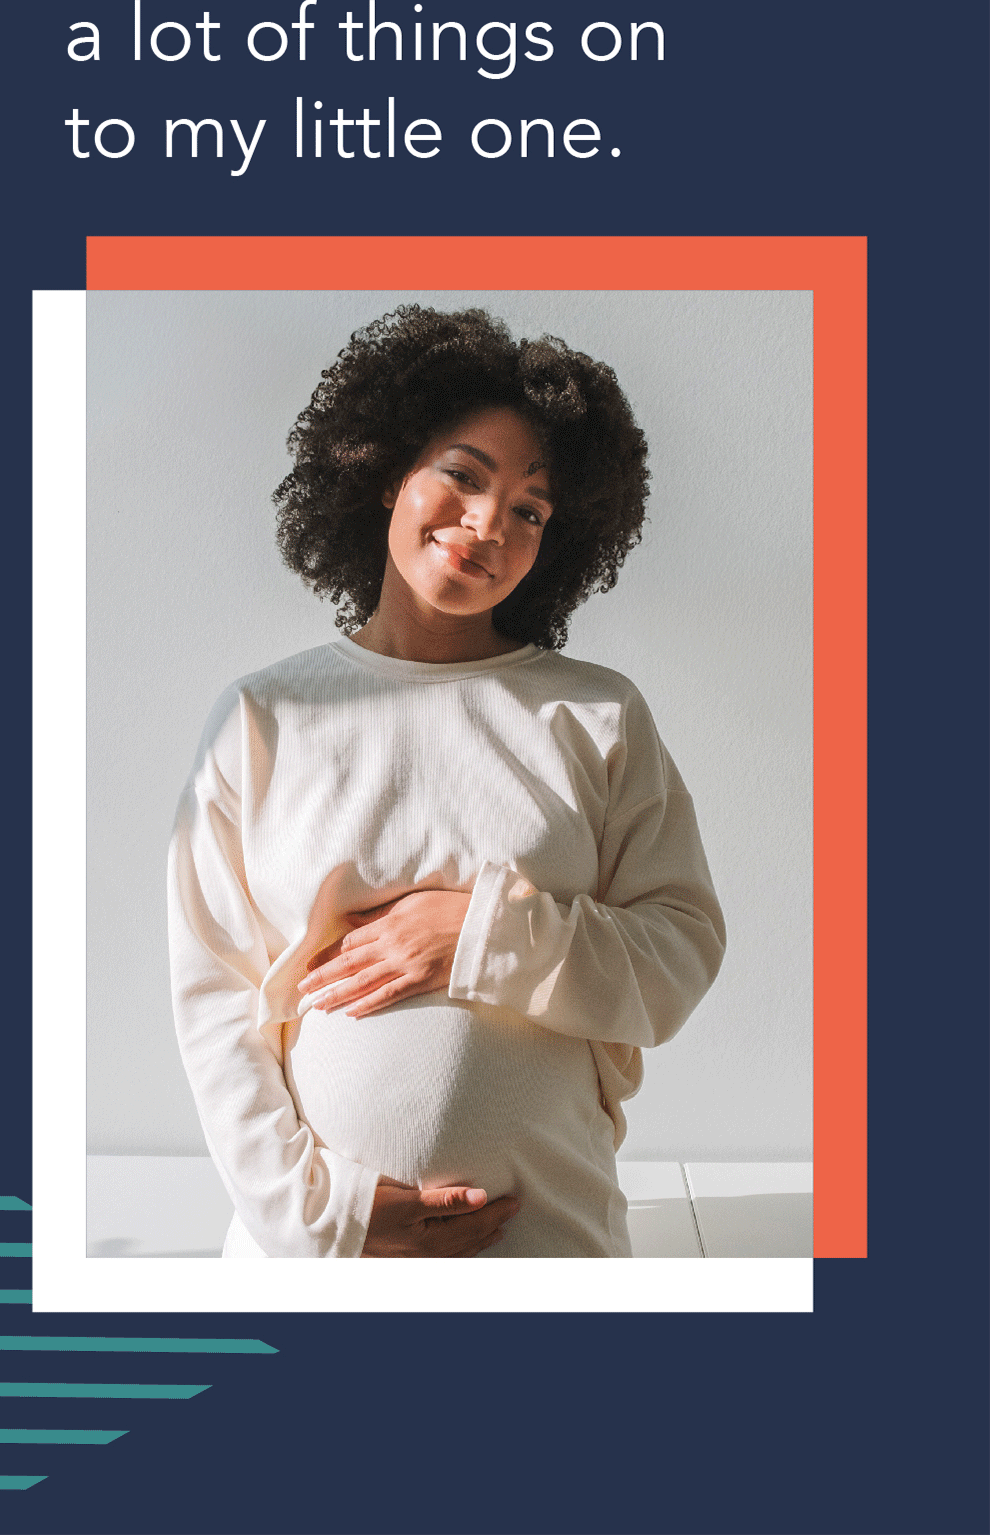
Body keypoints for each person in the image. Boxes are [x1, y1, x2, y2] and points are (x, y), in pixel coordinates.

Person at [167, 304, 725, 1258]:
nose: (486, 524)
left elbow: (679, 956)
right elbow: (215, 999)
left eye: (530, 511)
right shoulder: (265, 717)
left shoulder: (595, 715)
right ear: (390, 472)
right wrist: (323, 1218)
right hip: (313, 1267)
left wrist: (481, 934)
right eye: (464, 475)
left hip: (547, 1245)